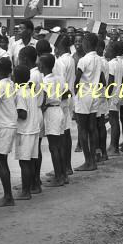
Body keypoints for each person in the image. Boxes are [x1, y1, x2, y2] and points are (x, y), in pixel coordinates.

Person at [0, 58, 19, 206]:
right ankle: (8, 195)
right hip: (9, 124)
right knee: (1, 160)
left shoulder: (0, 86)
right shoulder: (11, 84)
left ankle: (8, 196)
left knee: (0, 161)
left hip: (2, 125)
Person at [73, 32, 104, 171]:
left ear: (86, 44)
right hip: (95, 94)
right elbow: (102, 80)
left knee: (82, 129)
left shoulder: (83, 60)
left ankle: (87, 161)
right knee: (92, 128)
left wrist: (76, 94)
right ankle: (93, 160)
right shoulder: (99, 59)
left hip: (84, 95)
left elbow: (76, 79)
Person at [13, 64, 42, 200]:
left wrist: (12, 113)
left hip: (25, 131)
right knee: (30, 161)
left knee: (24, 162)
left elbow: (23, 114)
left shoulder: (20, 93)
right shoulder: (30, 90)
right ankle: (32, 186)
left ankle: (26, 191)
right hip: (33, 129)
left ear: (16, 79)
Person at [39, 54, 67, 187]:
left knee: (53, 147)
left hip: (50, 112)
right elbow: (66, 93)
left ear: (43, 66)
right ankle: (63, 174)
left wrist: (41, 108)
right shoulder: (60, 78)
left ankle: (58, 177)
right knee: (59, 145)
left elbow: (43, 99)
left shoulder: (44, 81)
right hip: (59, 110)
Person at [53, 36, 76, 175]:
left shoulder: (61, 61)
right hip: (69, 98)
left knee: (61, 135)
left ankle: (62, 167)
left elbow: (60, 82)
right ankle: (67, 165)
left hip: (62, 100)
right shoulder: (71, 59)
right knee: (66, 133)